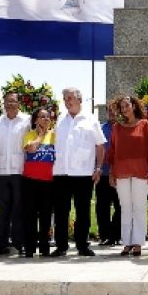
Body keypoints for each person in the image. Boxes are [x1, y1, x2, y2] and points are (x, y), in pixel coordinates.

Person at [52, 87, 105, 257]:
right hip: (61, 172)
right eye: (65, 98)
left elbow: (100, 145)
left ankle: (82, 245)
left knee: (82, 211)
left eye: (70, 98)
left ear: (79, 100)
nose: (67, 101)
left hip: (83, 173)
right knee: (61, 211)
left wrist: (98, 167)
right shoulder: (59, 120)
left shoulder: (91, 120)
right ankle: (61, 246)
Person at [107, 95, 148, 256]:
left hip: (141, 172)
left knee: (139, 207)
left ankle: (137, 242)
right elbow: (113, 152)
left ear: (134, 106)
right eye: (122, 107)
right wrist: (111, 173)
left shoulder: (145, 125)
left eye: (127, 106)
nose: (124, 109)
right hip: (121, 172)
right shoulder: (116, 128)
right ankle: (127, 242)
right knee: (125, 208)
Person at [0, 91, 29, 255]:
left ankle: (19, 243)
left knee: (18, 208)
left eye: (13, 101)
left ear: (19, 103)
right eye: (7, 101)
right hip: (1, 172)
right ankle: (1, 244)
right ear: (3, 103)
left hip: (20, 171)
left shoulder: (26, 120)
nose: (10, 104)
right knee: (4, 209)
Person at [22, 108, 55, 258]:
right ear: (35, 120)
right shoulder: (29, 135)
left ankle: (44, 247)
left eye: (48, 117)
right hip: (30, 181)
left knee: (46, 216)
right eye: (42, 117)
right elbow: (31, 149)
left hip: (48, 182)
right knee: (29, 215)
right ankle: (29, 247)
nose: (45, 119)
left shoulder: (55, 135)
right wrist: (40, 135)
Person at [95, 100, 121, 247]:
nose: (112, 113)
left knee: (120, 206)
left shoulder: (124, 128)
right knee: (102, 207)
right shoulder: (100, 128)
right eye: (109, 111)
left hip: (120, 174)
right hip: (103, 173)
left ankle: (116, 235)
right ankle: (104, 235)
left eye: (115, 110)